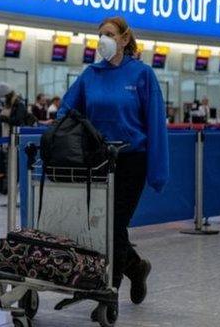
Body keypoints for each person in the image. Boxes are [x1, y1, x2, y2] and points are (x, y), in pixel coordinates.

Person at [57, 16, 169, 317]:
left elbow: (156, 123)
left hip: (132, 159)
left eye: (108, 34)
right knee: (102, 226)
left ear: (123, 39)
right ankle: (136, 266)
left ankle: (110, 293)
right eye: (99, 35)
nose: (102, 40)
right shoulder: (90, 75)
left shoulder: (142, 75)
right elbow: (67, 110)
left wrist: (158, 170)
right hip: (98, 160)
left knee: (114, 225)